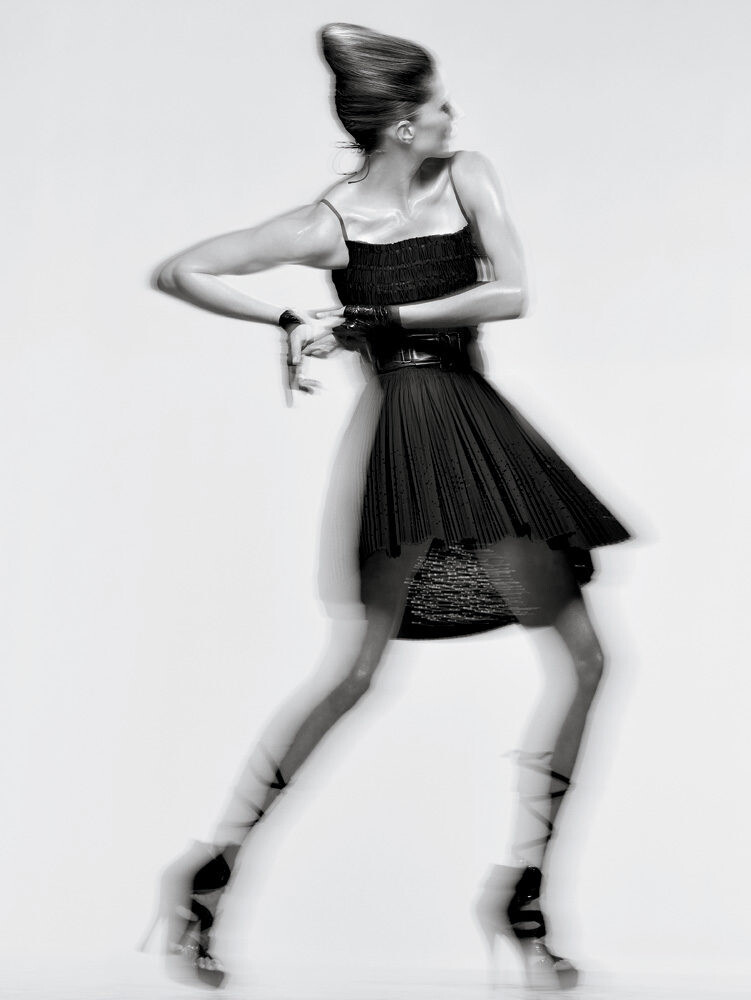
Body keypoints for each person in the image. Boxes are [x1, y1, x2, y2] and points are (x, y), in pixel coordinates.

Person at [142, 22, 631, 991]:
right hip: (410, 442)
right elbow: (181, 268)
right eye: (439, 104)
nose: (453, 115)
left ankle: (524, 887)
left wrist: (371, 316)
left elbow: (510, 294)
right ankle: (212, 870)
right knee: (360, 672)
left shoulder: (467, 176)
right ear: (402, 124)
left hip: (478, 435)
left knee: (585, 658)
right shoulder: (324, 223)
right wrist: (288, 316)